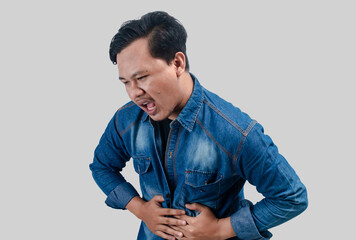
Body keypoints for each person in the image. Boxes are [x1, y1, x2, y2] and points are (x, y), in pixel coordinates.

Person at [89, 11, 308, 240]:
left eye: (142, 77)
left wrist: (221, 229)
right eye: (126, 82)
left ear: (177, 63)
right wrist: (140, 209)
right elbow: (102, 167)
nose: (134, 92)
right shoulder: (125, 120)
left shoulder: (234, 131)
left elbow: (291, 197)